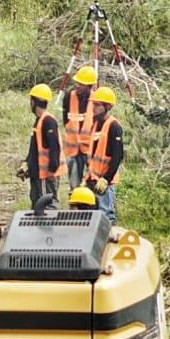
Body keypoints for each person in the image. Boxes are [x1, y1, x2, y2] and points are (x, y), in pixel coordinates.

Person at [17, 83, 61, 210]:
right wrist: (27, 164)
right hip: (37, 173)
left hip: (45, 174)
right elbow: (36, 148)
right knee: (37, 206)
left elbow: (54, 147)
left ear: (34, 102)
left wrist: (52, 170)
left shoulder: (48, 121)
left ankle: (52, 229)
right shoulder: (39, 121)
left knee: (48, 206)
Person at [85, 86, 125, 223]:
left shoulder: (114, 126)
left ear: (107, 106)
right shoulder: (95, 125)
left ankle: (109, 242)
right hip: (92, 179)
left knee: (106, 216)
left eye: (97, 105)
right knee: (90, 217)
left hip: (104, 182)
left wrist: (106, 179)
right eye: (93, 104)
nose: (93, 108)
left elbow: (118, 156)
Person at [61, 64, 98, 193]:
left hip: (90, 150)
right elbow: (66, 119)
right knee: (74, 187)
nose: (77, 85)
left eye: (81, 83)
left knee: (93, 183)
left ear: (89, 86)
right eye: (77, 82)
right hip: (72, 150)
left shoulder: (96, 100)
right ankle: (75, 208)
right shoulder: (68, 97)